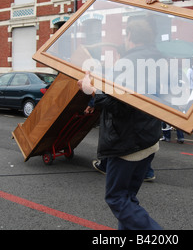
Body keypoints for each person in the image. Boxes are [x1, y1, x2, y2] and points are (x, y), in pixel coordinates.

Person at [77, 12, 162, 230]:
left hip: (127, 143)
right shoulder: (154, 56)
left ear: (131, 35)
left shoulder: (129, 63)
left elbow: (120, 105)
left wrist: (92, 91)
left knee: (117, 198)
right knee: (128, 198)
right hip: (148, 138)